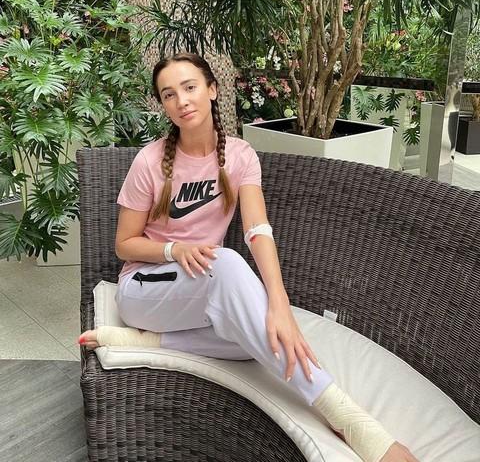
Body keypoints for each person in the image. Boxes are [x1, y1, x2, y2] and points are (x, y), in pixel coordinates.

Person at [78, 52, 419, 462]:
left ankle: (152, 342)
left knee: (256, 338)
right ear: (163, 105)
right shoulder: (149, 161)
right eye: (169, 94)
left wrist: (280, 304)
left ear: (212, 90)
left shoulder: (240, 156)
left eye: (189, 87)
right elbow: (125, 244)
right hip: (143, 291)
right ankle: (344, 416)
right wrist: (174, 249)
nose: (181, 101)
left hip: (196, 292)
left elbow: (258, 230)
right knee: (227, 266)